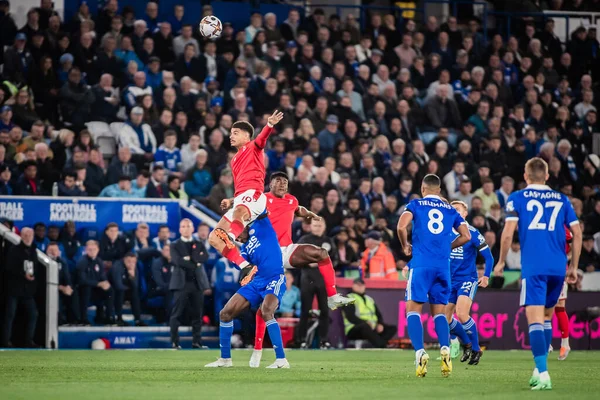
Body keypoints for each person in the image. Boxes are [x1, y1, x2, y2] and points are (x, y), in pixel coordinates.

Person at [493, 158, 581, 391]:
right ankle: (537, 368)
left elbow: (507, 234)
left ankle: (543, 374)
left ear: (526, 175)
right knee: (546, 318)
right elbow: (578, 233)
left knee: (534, 320)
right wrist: (573, 267)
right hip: (558, 267)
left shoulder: (517, 198)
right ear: (547, 176)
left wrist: (501, 261)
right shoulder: (562, 199)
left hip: (534, 266)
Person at [396, 174, 471, 377]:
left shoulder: (416, 204)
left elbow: (402, 225)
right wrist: (448, 246)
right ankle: (445, 348)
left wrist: (405, 245)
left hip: (421, 265)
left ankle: (420, 353)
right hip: (443, 268)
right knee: (439, 313)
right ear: (439, 190)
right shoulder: (450, 209)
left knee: (412, 311)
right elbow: (467, 236)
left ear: (423, 188)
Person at [205, 215, 290, 369]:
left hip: (274, 278)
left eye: (237, 235)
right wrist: (230, 251)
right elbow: (241, 265)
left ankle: (281, 360)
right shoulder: (244, 248)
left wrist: (234, 204)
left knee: (266, 311)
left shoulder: (262, 226)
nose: (238, 239)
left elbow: (259, 209)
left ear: (242, 226)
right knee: (225, 313)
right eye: (235, 238)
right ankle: (225, 359)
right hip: (255, 282)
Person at [207, 110, 284, 279]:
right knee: (213, 238)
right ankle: (245, 266)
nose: (231, 136)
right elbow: (241, 186)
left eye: (235, 133)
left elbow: (262, 139)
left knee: (239, 214)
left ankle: (231, 237)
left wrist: (269, 124)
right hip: (242, 199)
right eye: (230, 133)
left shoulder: (254, 147)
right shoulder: (234, 159)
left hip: (254, 196)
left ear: (247, 136)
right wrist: (232, 200)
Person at [445, 201, 494, 365]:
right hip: (449, 280)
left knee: (462, 313)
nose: (455, 212)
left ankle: (476, 348)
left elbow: (489, 257)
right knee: (445, 318)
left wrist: (486, 276)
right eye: (453, 210)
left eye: (458, 210)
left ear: (465, 213)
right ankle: (467, 343)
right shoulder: (445, 232)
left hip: (467, 279)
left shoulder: (472, 232)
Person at [169, 219, 210, 349]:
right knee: (177, 314)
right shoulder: (174, 245)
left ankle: (196, 342)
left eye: (188, 226)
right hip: (181, 284)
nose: (186, 228)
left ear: (193, 229)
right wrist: (195, 262)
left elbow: (204, 257)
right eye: (183, 226)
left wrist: (188, 259)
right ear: (180, 229)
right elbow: (177, 261)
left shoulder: (198, 243)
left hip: (197, 284)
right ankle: (175, 342)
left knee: (197, 315)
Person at [1, 228, 39, 347]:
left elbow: (36, 267)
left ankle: (29, 340)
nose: (28, 237)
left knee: (33, 314)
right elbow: (9, 267)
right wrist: (23, 274)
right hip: (15, 289)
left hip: (28, 290)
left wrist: (32, 276)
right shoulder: (14, 250)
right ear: (21, 236)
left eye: (30, 235)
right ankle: (5, 341)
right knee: (10, 315)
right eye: (26, 235)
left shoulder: (34, 251)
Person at [342, 278, 397, 348]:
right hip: (354, 329)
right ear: (353, 286)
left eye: (361, 285)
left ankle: (380, 343)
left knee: (392, 328)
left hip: (372, 327)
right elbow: (351, 317)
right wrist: (365, 322)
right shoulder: (349, 298)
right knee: (365, 327)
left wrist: (379, 324)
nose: (360, 287)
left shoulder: (369, 299)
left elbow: (378, 315)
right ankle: (381, 345)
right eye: (357, 285)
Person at [77, 240, 115, 325]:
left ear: (98, 250)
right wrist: (98, 284)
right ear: (86, 250)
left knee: (110, 290)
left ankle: (108, 317)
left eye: (94, 249)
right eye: (90, 249)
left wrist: (105, 282)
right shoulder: (82, 261)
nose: (92, 251)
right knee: (86, 289)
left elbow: (102, 275)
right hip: (83, 288)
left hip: (95, 288)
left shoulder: (99, 261)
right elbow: (82, 280)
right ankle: (83, 319)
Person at [110, 252, 146, 326]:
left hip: (125, 289)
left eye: (133, 262)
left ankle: (137, 319)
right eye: (129, 261)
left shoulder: (134, 267)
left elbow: (135, 286)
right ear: (124, 260)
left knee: (135, 293)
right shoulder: (117, 266)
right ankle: (119, 318)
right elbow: (118, 285)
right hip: (113, 291)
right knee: (120, 292)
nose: (131, 263)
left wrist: (132, 276)